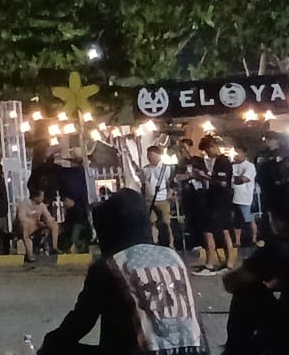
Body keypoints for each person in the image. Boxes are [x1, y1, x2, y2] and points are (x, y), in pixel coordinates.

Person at [38, 189, 205, 355]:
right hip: (197, 350)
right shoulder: (176, 259)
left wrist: (50, 343)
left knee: (59, 347)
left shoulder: (109, 266)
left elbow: (80, 322)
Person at [222, 185, 289, 355]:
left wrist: (256, 278)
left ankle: (235, 351)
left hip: (284, 336)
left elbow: (231, 282)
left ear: (277, 219)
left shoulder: (277, 248)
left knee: (246, 291)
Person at [195, 135, 238, 274]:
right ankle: (227, 263)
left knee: (209, 231)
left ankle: (210, 264)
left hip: (220, 201)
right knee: (224, 230)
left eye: (207, 150)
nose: (207, 153)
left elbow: (222, 183)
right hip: (215, 200)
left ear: (212, 147)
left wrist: (205, 176)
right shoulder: (219, 161)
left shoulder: (222, 162)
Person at [140, 145, 175, 247]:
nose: (149, 158)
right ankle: (154, 242)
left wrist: (169, 194)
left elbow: (170, 182)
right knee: (152, 221)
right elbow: (143, 183)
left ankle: (170, 242)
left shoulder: (166, 168)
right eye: (148, 155)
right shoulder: (145, 169)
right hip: (149, 199)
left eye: (151, 155)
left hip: (162, 198)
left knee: (166, 222)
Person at [58, 150, 92, 253]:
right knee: (74, 224)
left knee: (76, 225)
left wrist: (72, 202)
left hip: (78, 207)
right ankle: (74, 244)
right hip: (77, 207)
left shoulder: (77, 173)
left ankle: (75, 244)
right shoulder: (79, 173)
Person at [17, 189, 60, 262]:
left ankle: (54, 247)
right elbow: (21, 217)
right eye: (41, 196)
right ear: (35, 197)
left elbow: (48, 216)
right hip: (24, 226)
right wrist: (34, 222)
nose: (43, 198)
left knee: (54, 224)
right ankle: (30, 254)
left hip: (36, 225)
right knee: (25, 226)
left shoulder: (41, 205)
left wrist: (49, 222)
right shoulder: (24, 204)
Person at [231, 144, 258, 249]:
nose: (236, 155)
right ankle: (237, 241)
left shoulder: (249, 166)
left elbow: (243, 179)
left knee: (249, 219)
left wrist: (235, 178)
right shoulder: (232, 166)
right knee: (236, 220)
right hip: (234, 196)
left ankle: (253, 239)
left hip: (245, 197)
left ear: (244, 153)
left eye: (238, 152)